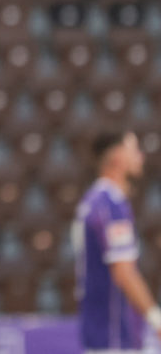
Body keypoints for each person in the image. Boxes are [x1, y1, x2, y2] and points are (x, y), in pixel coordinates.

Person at [74, 130, 161, 353]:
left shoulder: (93, 200)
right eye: (134, 150)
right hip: (112, 335)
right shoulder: (109, 204)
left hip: (100, 331)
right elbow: (124, 272)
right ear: (117, 157)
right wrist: (155, 317)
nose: (140, 156)